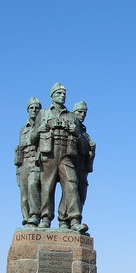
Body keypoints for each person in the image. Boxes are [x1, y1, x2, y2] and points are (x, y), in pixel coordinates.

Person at [32, 83, 87, 233]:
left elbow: (82, 143)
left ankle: (73, 219)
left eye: (63, 94)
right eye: (58, 93)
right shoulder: (42, 114)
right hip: (48, 153)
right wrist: (38, 130)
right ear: (52, 96)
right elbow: (32, 139)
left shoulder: (72, 116)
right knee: (47, 186)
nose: (62, 96)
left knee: (71, 184)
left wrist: (76, 132)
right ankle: (45, 218)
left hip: (66, 154)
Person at [15, 97, 42, 227]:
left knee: (33, 188)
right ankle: (26, 220)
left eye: (36, 108)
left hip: (36, 162)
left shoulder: (42, 126)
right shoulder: (23, 129)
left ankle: (34, 216)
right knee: (24, 194)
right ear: (27, 110)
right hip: (23, 163)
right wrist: (18, 170)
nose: (34, 110)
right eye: (31, 108)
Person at [72, 101, 96, 212]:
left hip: (83, 167)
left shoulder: (86, 135)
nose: (82, 115)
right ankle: (66, 218)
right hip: (71, 163)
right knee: (70, 191)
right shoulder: (70, 129)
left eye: (84, 113)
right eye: (80, 112)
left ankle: (76, 217)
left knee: (81, 192)